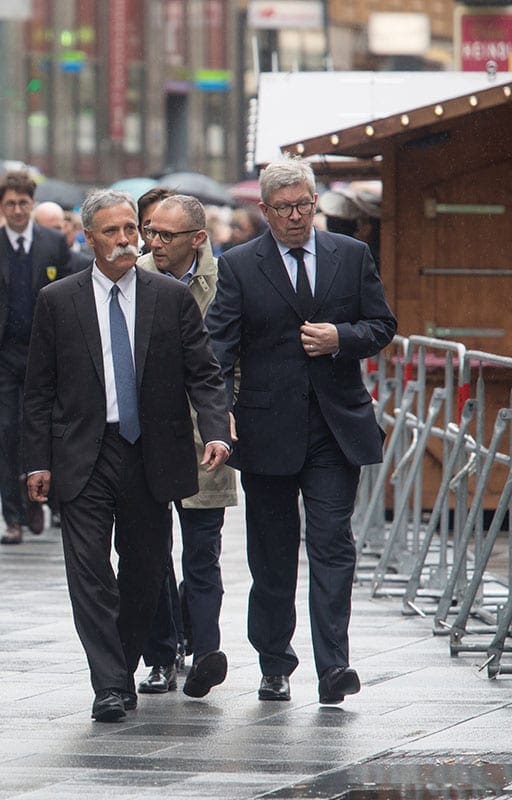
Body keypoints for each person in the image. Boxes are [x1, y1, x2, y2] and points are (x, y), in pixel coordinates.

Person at [21, 189, 230, 723]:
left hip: (149, 452)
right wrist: (37, 461)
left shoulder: (169, 297)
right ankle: (110, 683)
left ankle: (126, 659)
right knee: (88, 568)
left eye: (129, 230)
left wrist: (215, 432)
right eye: (111, 232)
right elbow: (38, 390)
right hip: (83, 453)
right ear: (87, 237)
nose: (125, 240)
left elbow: (203, 374)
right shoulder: (58, 301)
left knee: (144, 569)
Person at [205, 155, 396, 705]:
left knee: (334, 543)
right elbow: (217, 348)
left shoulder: (351, 255)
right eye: (283, 208)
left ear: (316, 202)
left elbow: (381, 324)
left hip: (335, 427)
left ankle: (334, 666)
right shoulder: (240, 265)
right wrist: (220, 414)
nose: (295, 216)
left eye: (304, 205)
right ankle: (274, 661)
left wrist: (342, 337)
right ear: (264, 210)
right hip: (266, 430)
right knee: (272, 552)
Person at [135, 195, 238, 698]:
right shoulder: (130, 276)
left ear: (197, 239)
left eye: (165, 236)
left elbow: (235, 353)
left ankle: (205, 654)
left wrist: (227, 412)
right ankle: (160, 655)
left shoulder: (226, 280)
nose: (153, 243)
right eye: (150, 232)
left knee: (202, 553)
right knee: (152, 552)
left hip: (204, 436)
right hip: (145, 436)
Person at [0, 170, 70, 545]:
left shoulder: (54, 243)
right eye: (9, 203)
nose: (16, 210)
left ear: (32, 203)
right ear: (0, 206)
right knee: (5, 432)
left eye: (23, 203)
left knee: (44, 429)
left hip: (44, 355)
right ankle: (12, 515)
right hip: (2, 355)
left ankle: (42, 499)